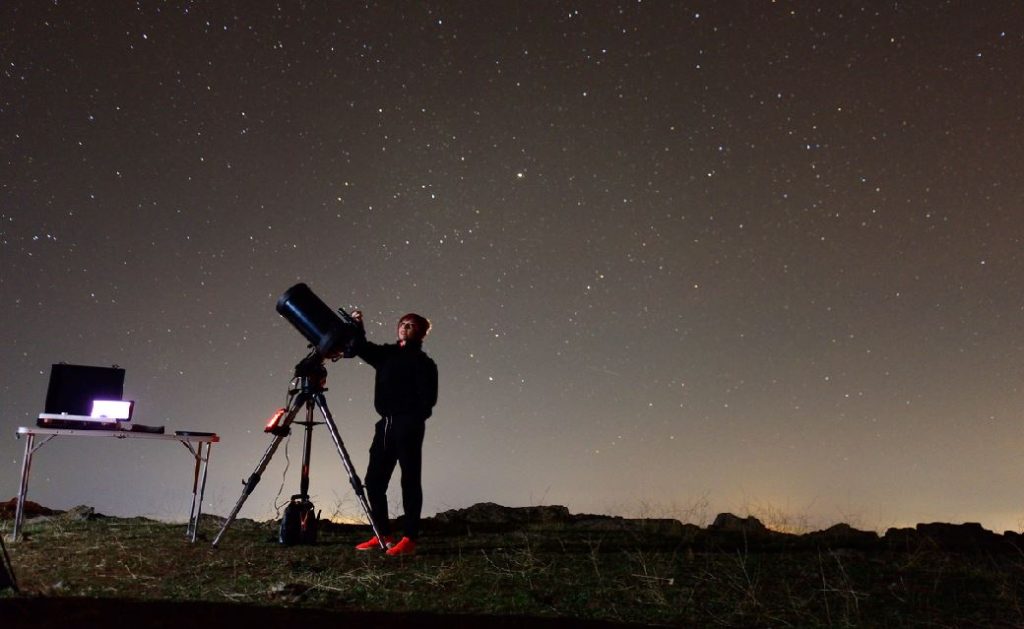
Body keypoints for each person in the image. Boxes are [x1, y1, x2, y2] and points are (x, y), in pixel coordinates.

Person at [350, 310, 438, 557]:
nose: (405, 328)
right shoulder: (386, 354)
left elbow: (428, 399)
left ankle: (409, 538)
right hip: (385, 424)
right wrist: (358, 325)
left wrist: (411, 417)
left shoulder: (425, 364)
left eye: (411, 325)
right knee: (374, 480)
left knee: (409, 480)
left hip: (408, 424)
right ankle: (382, 534)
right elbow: (361, 348)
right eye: (402, 324)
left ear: (420, 333)